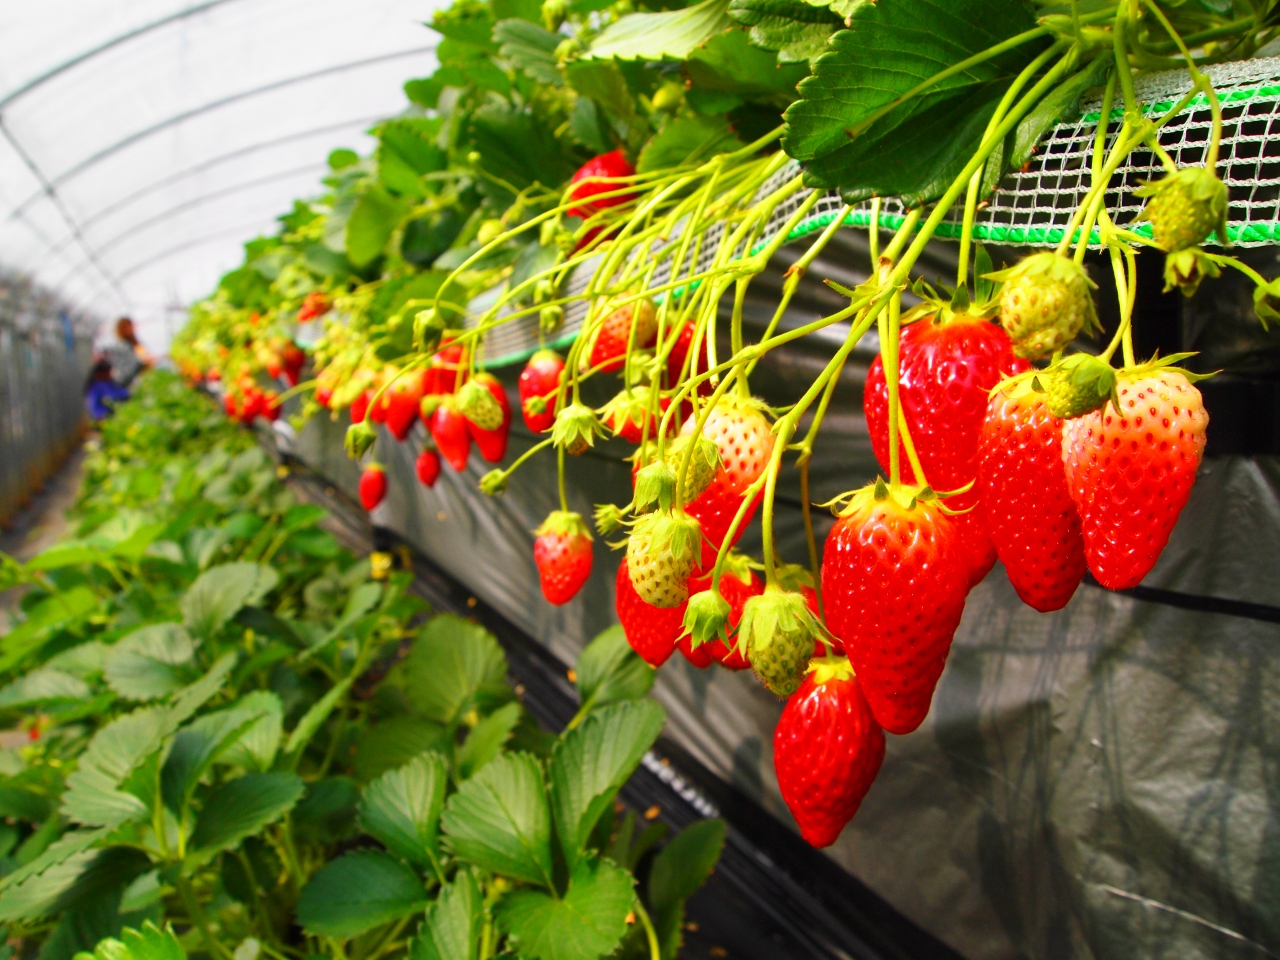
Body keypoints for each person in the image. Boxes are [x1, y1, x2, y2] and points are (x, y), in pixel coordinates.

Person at [97, 317, 153, 387]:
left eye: (129, 326)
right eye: (126, 327)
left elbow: (145, 360)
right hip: (129, 382)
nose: (129, 329)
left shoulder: (134, 345)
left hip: (136, 381)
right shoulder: (121, 346)